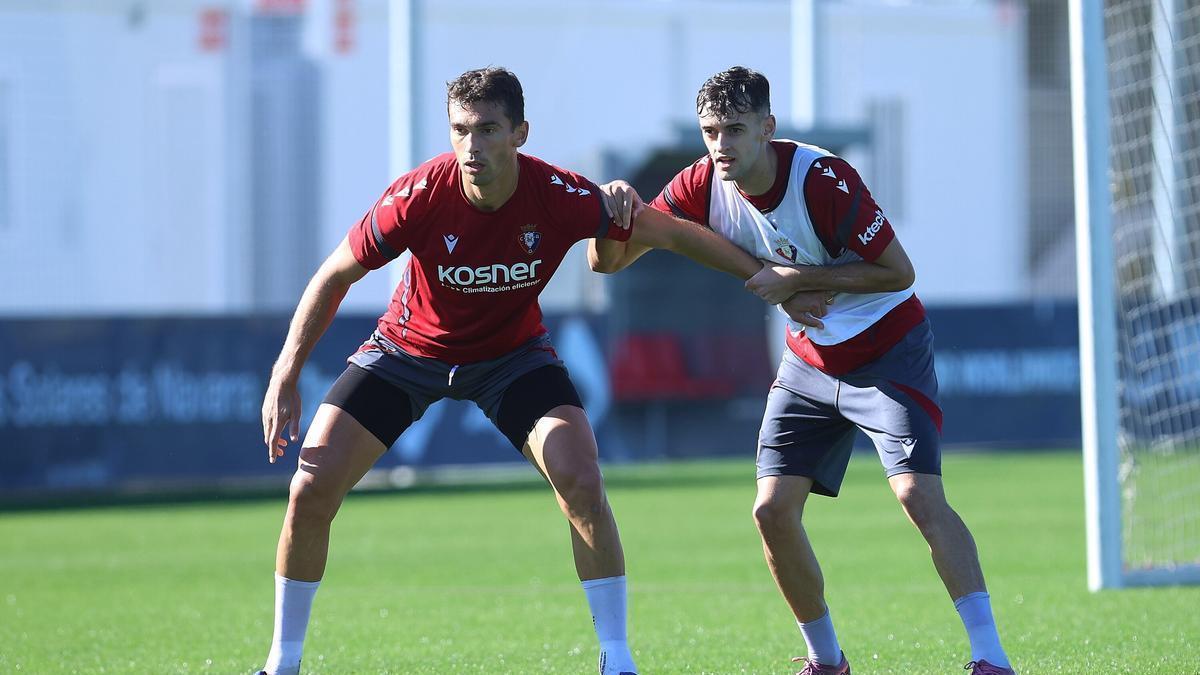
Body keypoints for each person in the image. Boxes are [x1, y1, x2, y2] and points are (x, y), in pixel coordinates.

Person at [256, 67, 768, 675]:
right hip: (407, 352)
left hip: (511, 359)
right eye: (460, 130)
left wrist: (770, 278)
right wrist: (285, 375)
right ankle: (282, 664)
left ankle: (618, 660)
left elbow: (672, 235)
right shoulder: (417, 196)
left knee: (581, 477)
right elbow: (334, 274)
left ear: (519, 132)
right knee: (309, 489)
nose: (472, 146)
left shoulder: (558, 194)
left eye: (488, 129)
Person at [588, 66, 1016, 675]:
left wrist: (800, 281)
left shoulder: (823, 179)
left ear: (768, 127)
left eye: (735, 130)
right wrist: (613, 216)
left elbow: (899, 272)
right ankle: (826, 662)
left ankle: (990, 657)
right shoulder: (701, 183)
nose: (721, 146)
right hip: (809, 365)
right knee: (770, 511)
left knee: (919, 494)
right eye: (710, 131)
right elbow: (611, 261)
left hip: (885, 351)